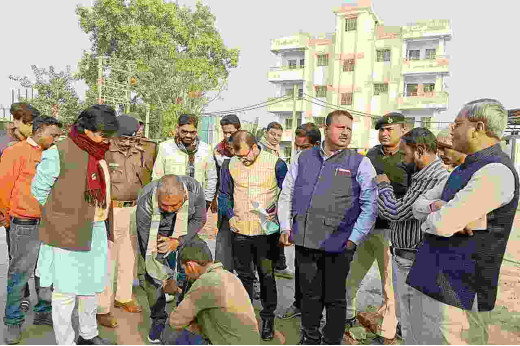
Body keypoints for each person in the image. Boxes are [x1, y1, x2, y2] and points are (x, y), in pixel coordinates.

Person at [408, 99, 519, 345]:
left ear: (478, 127)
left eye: (458, 123)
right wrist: (440, 208)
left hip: (461, 292)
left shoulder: (495, 172)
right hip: (435, 282)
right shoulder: (462, 170)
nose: (451, 130)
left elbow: (442, 225)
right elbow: (419, 207)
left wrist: (444, 214)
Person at [278, 110, 378, 345]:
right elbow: (287, 193)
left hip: (339, 244)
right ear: (326, 128)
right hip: (304, 240)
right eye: (340, 127)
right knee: (310, 295)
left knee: (335, 297)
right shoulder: (303, 158)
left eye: (349, 129)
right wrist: (285, 225)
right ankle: (310, 337)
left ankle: (332, 339)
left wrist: (354, 239)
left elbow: (370, 206)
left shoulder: (361, 163)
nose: (345, 132)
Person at [33, 104, 118, 345]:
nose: (106, 139)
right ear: (86, 129)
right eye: (102, 133)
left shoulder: (100, 151)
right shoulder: (58, 151)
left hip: (97, 229)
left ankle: (88, 335)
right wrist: (60, 215)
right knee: (65, 293)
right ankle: (66, 341)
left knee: (91, 289)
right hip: (67, 232)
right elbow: (38, 191)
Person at [375, 128, 449, 344]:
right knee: (409, 322)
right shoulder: (423, 176)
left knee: (416, 323)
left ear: (420, 150)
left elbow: (394, 212)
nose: (403, 159)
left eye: (405, 153)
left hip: (413, 259)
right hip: (407, 258)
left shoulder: (434, 177)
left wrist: (383, 186)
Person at [346, 112, 411, 341]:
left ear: (403, 130)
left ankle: (389, 330)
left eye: (389, 130)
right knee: (352, 275)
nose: (384, 133)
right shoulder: (371, 155)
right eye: (381, 129)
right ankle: (348, 317)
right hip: (366, 226)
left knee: (389, 284)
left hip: (392, 231)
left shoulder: (409, 157)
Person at [219, 130, 288, 341]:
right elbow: (224, 194)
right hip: (240, 228)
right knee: (245, 275)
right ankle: (246, 317)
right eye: (239, 157)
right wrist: (229, 216)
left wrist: (280, 215)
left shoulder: (276, 163)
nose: (243, 160)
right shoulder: (229, 165)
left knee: (266, 275)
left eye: (245, 155)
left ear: (255, 146)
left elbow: (287, 194)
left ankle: (268, 318)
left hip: (266, 230)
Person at [0, 116, 61, 344]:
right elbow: (3, 186)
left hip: (49, 222)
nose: (56, 139)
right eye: (52, 135)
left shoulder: (53, 154)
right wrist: (7, 218)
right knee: (19, 275)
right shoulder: (15, 152)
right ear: (38, 131)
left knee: (45, 273)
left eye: (58, 136)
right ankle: (13, 322)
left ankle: (43, 313)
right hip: (24, 223)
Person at [96, 115, 157, 328]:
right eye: (123, 137)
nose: (127, 142)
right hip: (110, 210)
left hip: (134, 210)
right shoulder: (104, 150)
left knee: (129, 255)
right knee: (107, 259)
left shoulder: (145, 150)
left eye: (132, 138)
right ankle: (102, 306)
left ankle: (123, 296)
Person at [135, 174, 206, 344]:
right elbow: (147, 246)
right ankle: (158, 320)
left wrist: (178, 241)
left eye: (175, 205)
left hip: (184, 231)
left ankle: (186, 317)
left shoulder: (194, 189)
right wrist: (164, 276)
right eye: (164, 205)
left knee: (195, 263)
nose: (169, 210)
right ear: (157, 197)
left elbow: (199, 219)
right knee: (151, 275)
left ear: (184, 196)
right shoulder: (145, 200)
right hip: (156, 233)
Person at [161, 235, 260, 345]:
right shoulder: (229, 276)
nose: (186, 275)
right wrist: (178, 291)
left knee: (170, 333)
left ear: (191, 266)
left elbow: (175, 321)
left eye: (185, 271)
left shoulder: (204, 283)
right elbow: (206, 299)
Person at [279, 122, 322, 320]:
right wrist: (286, 225)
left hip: (323, 227)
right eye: (298, 147)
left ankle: (317, 311)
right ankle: (298, 304)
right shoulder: (298, 160)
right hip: (301, 223)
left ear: (316, 144)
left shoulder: (328, 162)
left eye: (304, 147)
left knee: (321, 271)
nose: (300, 151)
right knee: (301, 267)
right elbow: (287, 193)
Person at [0, 103, 41, 313]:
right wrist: (6, 216)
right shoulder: (9, 146)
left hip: (36, 216)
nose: (14, 125)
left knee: (38, 265)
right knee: (18, 263)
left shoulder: (41, 147)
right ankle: (19, 304)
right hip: (17, 215)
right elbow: (4, 183)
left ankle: (41, 306)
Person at [152, 114, 217, 213]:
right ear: (177, 128)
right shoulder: (165, 147)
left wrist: (207, 201)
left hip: (196, 204)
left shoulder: (206, 149)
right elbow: (157, 176)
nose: (188, 135)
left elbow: (211, 178)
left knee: (193, 229)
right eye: (184, 131)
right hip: (169, 203)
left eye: (192, 132)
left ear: (197, 130)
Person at [258, 121, 292, 278]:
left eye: (278, 135)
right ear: (266, 132)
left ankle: (279, 265)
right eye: (272, 134)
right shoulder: (259, 149)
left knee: (276, 231)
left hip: (276, 199)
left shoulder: (277, 151)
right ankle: (265, 269)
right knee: (264, 235)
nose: (275, 138)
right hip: (262, 198)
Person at [212, 114, 241, 271]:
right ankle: (223, 279)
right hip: (225, 201)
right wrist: (214, 198)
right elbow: (215, 176)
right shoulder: (218, 151)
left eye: (231, 132)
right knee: (223, 243)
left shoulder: (250, 148)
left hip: (246, 204)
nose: (228, 136)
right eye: (225, 132)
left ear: (239, 129)